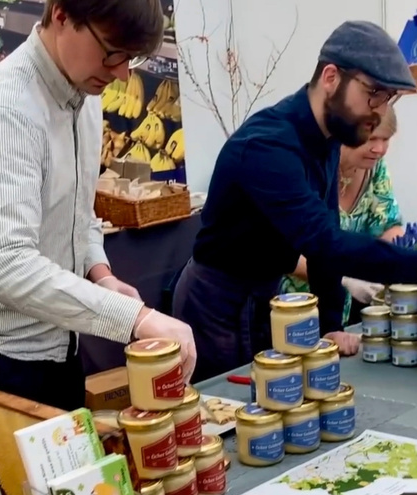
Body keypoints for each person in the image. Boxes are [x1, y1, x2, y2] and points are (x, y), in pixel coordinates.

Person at [0, 0, 196, 479]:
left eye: (128, 61)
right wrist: (134, 319)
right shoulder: (7, 109)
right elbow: (5, 264)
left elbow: (77, 213)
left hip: (52, 339)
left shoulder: (83, 95)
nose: (117, 75)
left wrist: (100, 272)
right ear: (62, 16)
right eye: (111, 54)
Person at [173, 20, 417, 383]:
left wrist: (331, 326)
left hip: (266, 295)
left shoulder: (328, 139)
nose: (379, 112)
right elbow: (323, 241)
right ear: (331, 77)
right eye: (374, 94)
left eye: (387, 99)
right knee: (227, 416)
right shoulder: (268, 146)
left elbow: (325, 240)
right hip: (218, 304)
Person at [281, 106, 404, 325]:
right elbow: (284, 253)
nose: (379, 149)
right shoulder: (309, 169)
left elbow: (388, 225)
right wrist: (346, 276)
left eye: (386, 139)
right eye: (372, 139)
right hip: (297, 308)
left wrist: (391, 264)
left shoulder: (375, 169)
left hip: (348, 313)